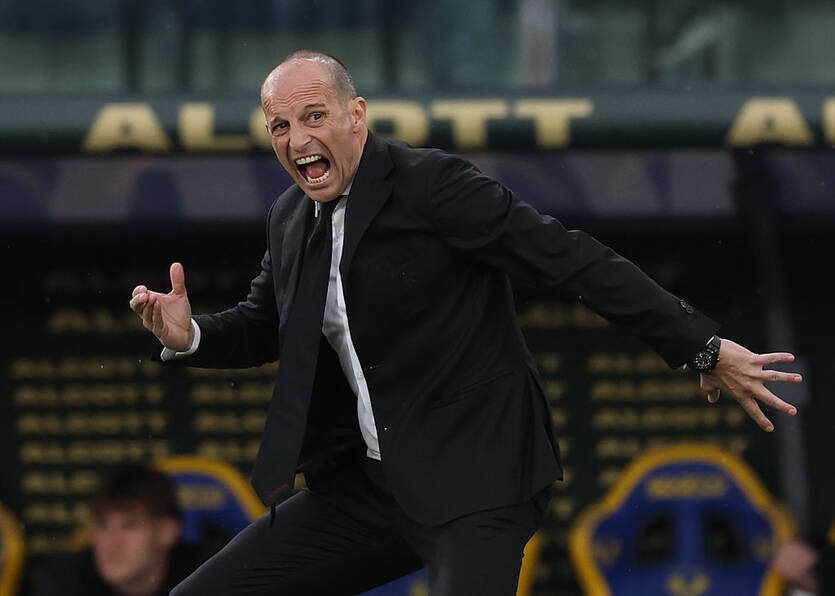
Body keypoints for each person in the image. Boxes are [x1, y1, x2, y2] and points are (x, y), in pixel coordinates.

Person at [129, 50, 802, 595]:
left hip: (478, 480)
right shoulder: (289, 217)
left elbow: (569, 260)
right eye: (280, 126)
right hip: (372, 489)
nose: (298, 139)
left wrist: (701, 347)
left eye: (314, 116)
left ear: (356, 116)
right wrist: (189, 335)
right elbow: (263, 324)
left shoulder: (433, 186)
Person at [32, 463, 209, 596]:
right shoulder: (66, 579)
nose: (111, 543)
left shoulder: (206, 578)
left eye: (129, 526)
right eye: (102, 526)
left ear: (167, 532)